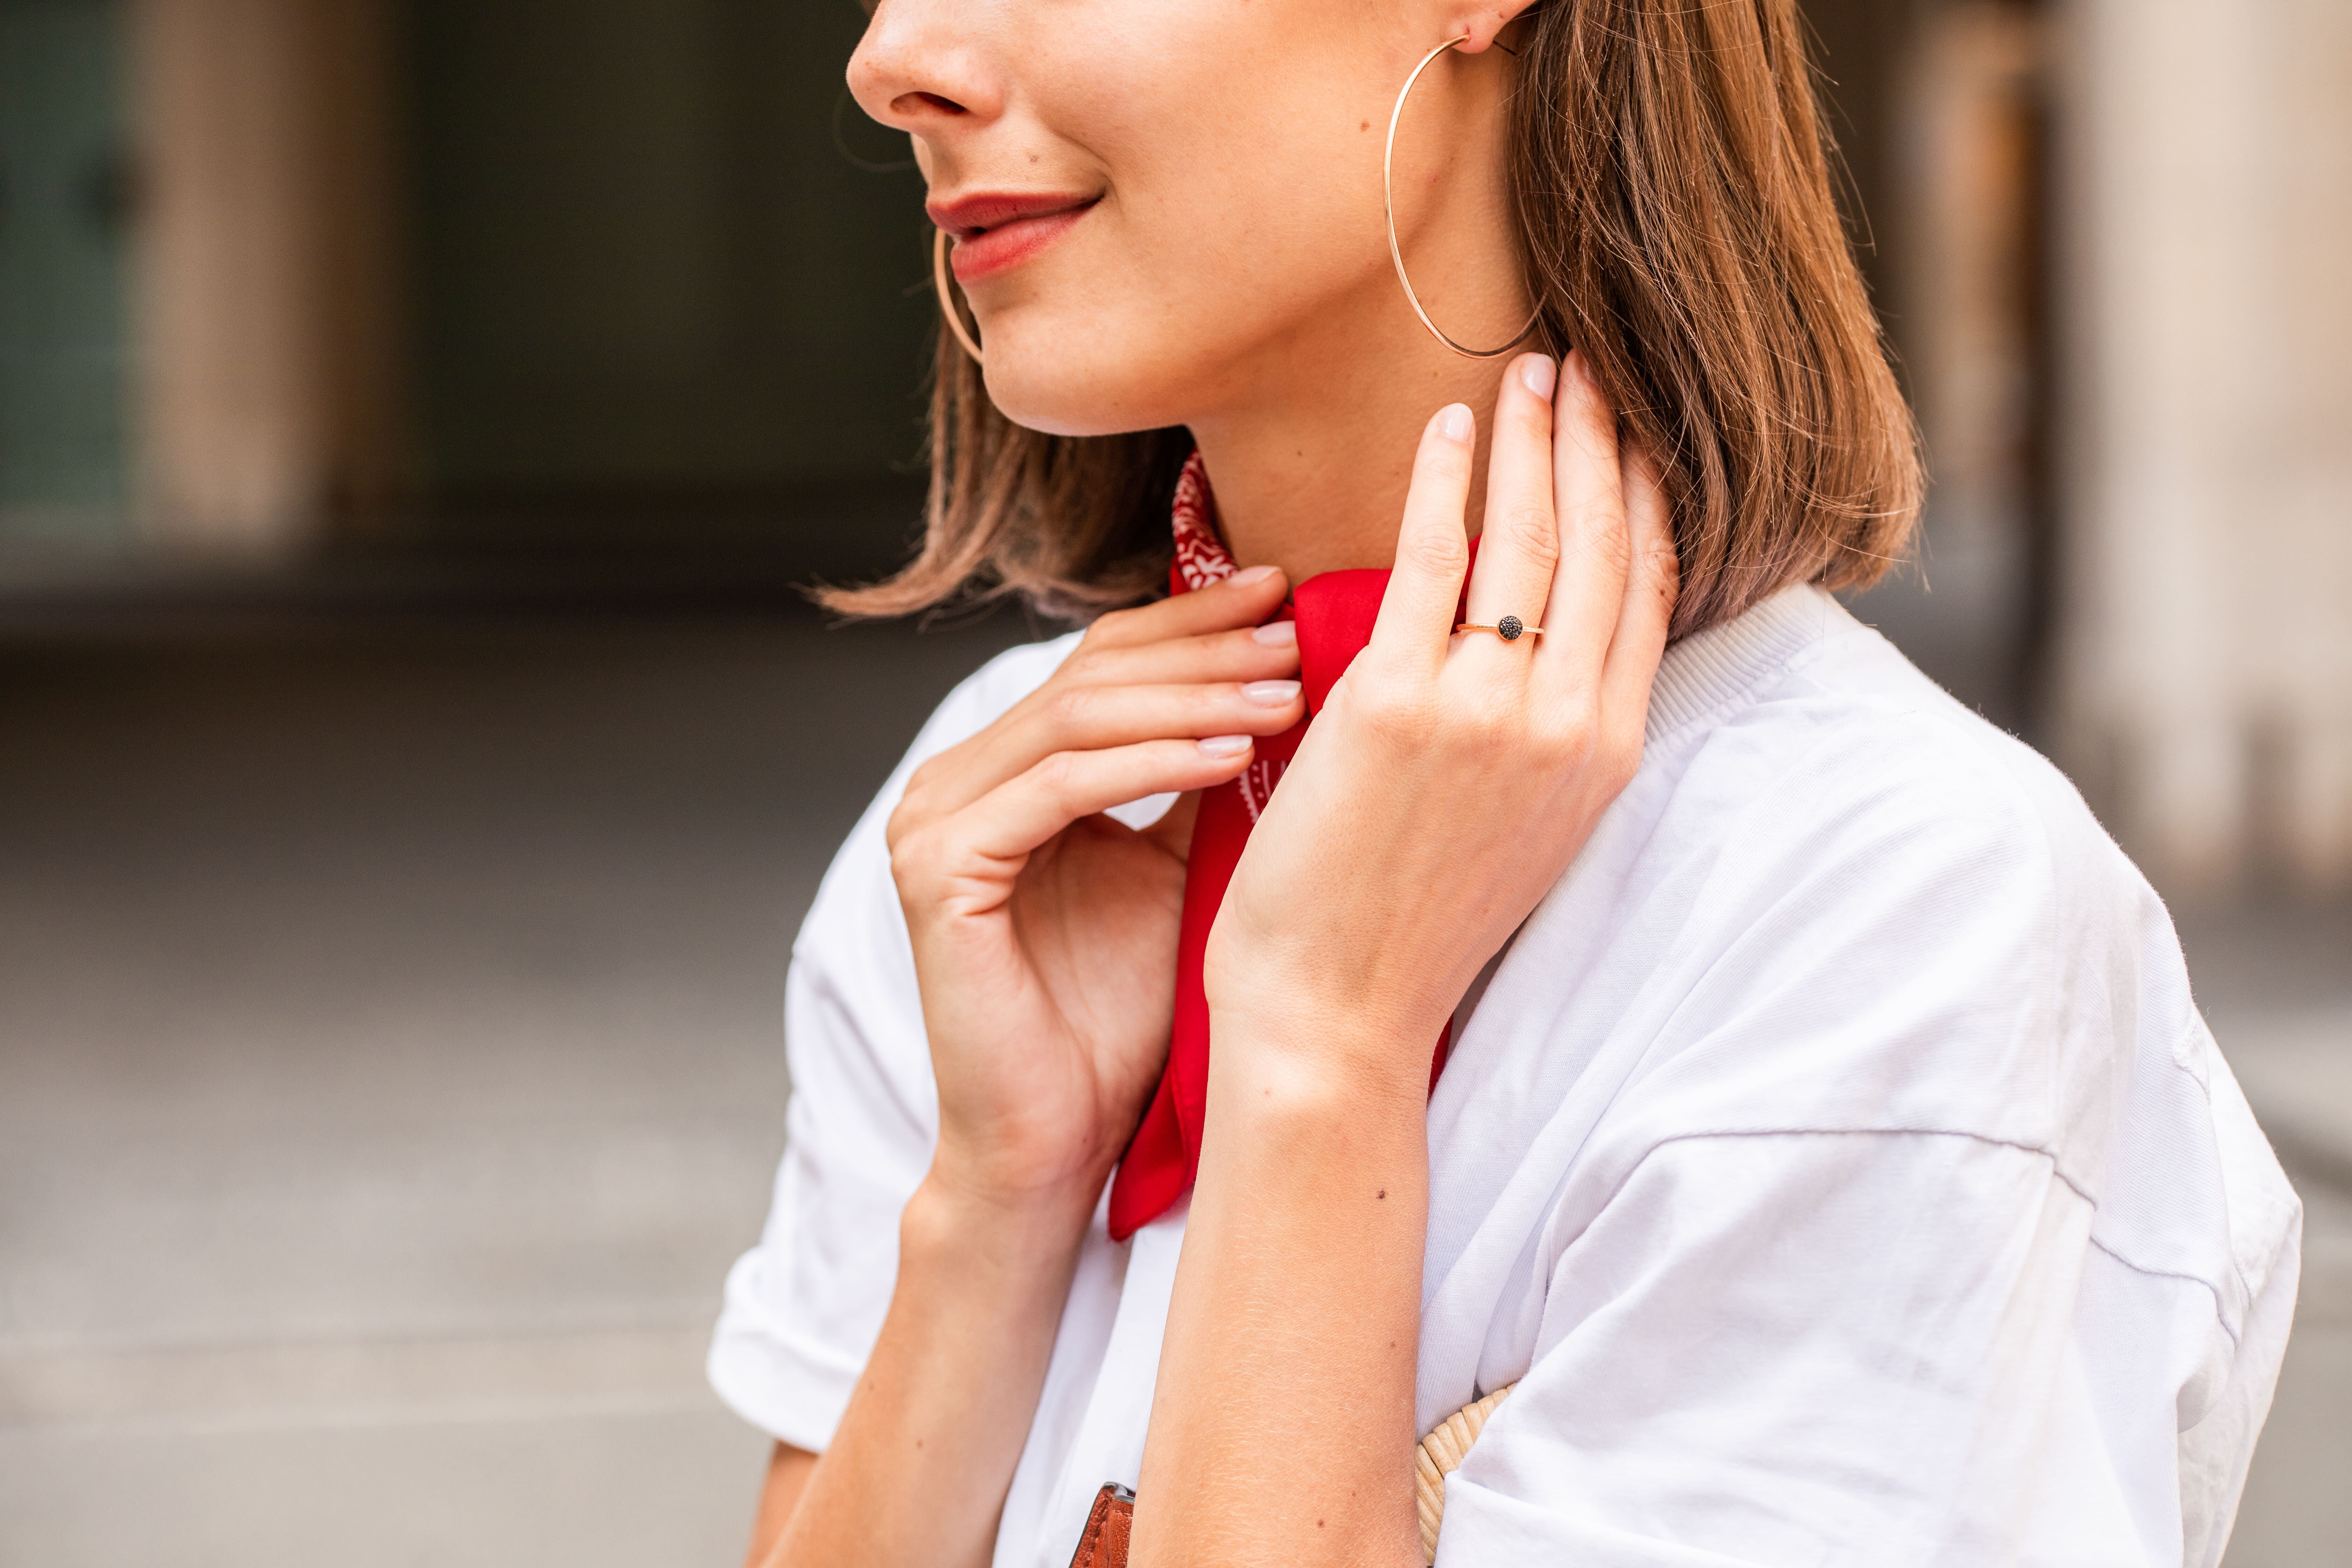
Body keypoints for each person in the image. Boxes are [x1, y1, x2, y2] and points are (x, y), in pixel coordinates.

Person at [709, 2, 2301, 1564]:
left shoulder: (1897, 915)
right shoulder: (1001, 819)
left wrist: (1322, 1041)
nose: (890, 58)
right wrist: (994, 1201)